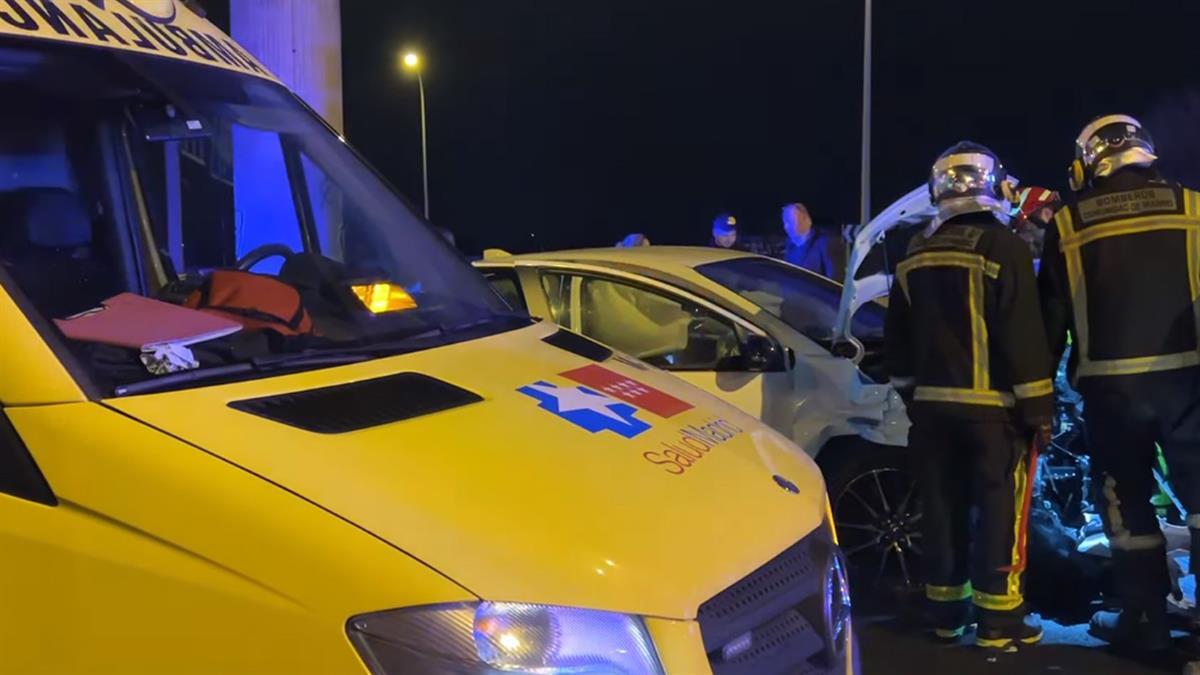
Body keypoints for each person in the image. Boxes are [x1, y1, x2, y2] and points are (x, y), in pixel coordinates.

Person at [1040, 114, 1200, 652]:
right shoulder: (1194, 208)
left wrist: (1037, 397)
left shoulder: (1068, 224)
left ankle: (1144, 621)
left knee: (1127, 507)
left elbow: (1050, 321)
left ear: (1089, 164)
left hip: (1112, 395)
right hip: (1190, 387)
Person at [886, 142, 1055, 651]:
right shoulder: (1003, 246)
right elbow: (1023, 335)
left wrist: (912, 397)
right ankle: (1000, 621)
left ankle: (946, 614)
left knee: (942, 509)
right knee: (999, 511)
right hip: (993, 413)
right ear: (993, 186)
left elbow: (898, 339)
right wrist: (1040, 410)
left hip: (931, 412)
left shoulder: (916, 249)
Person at [782, 202, 847, 282]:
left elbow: (835, 281)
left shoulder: (826, 243)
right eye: (784, 222)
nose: (786, 226)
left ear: (805, 219)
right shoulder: (789, 248)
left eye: (789, 221)